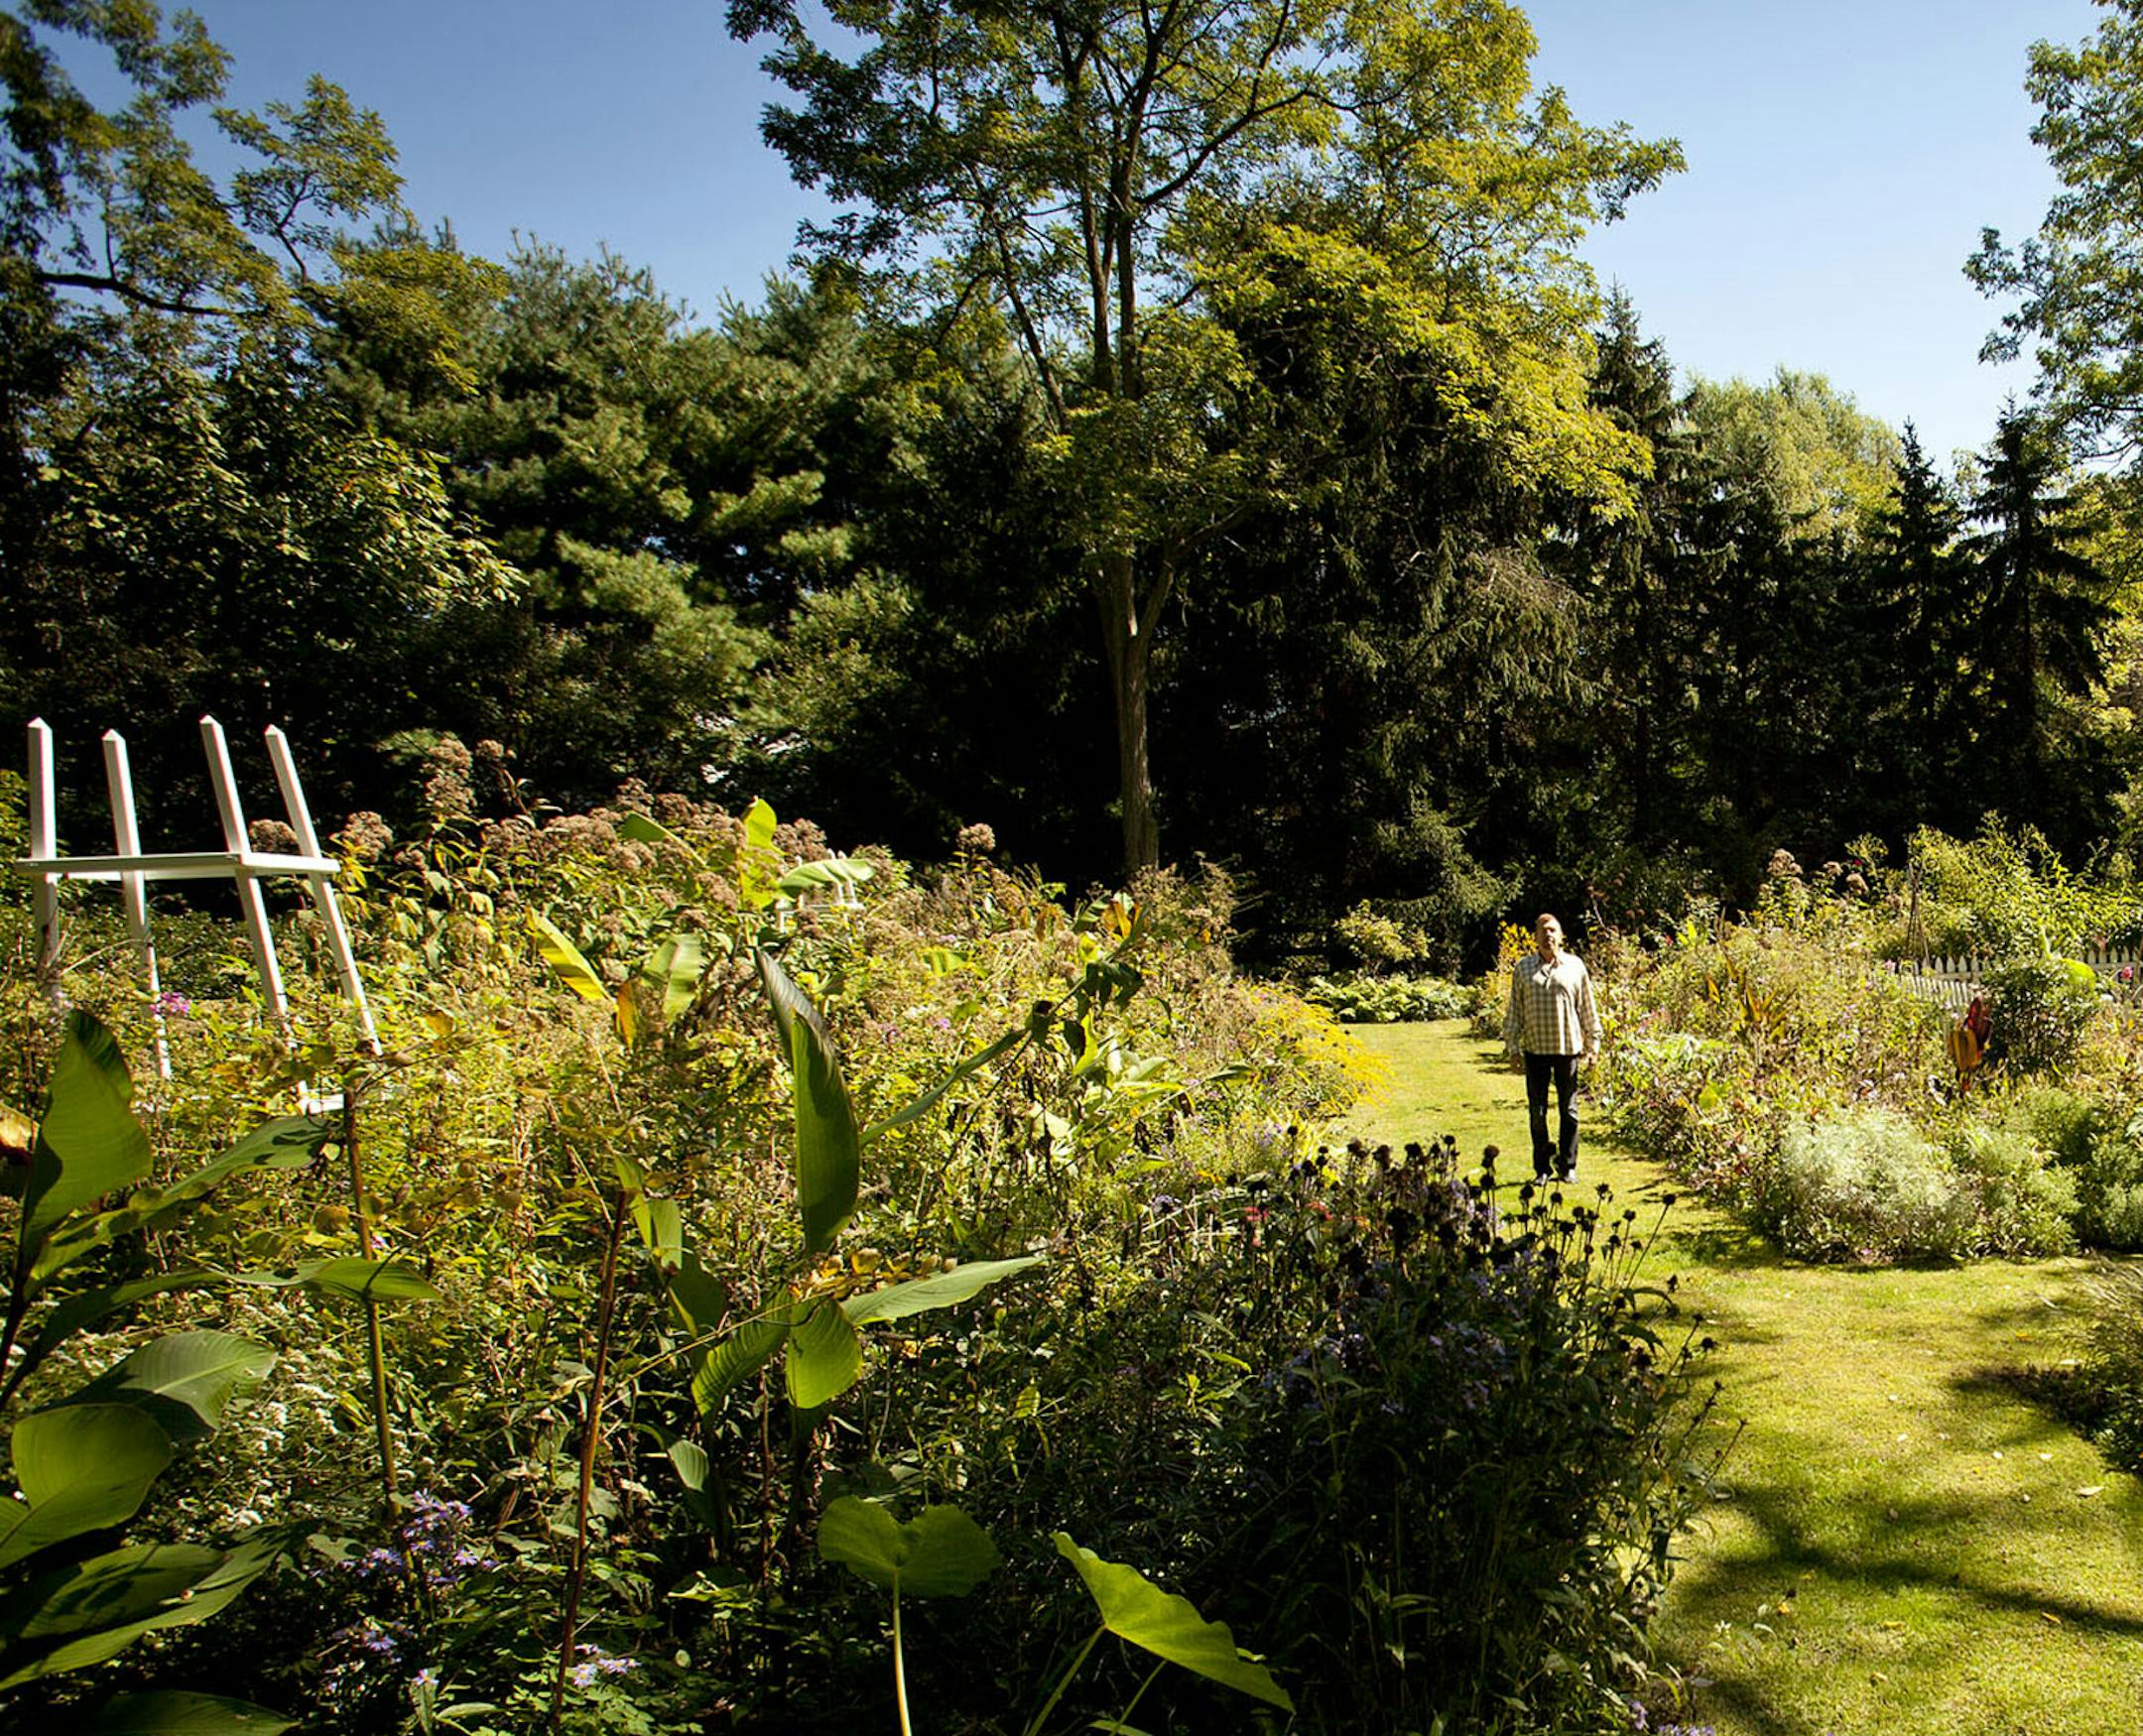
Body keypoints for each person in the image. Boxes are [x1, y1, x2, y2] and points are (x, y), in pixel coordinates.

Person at [1503, 913, 1603, 1182]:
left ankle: (1567, 1166)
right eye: (1543, 931)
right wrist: (1513, 1048)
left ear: (1561, 936)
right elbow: (1515, 1011)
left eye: (1553, 931)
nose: (1549, 935)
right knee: (1537, 1114)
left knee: (1569, 1112)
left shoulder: (1575, 966)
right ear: (1535, 936)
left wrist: (1593, 1044)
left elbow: (1587, 1008)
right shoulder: (1524, 968)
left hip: (1567, 1050)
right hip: (1535, 1052)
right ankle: (1542, 1169)